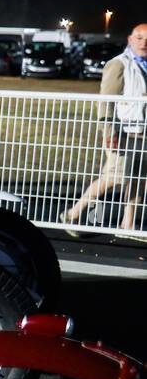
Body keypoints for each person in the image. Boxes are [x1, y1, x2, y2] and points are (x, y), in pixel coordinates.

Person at [62, 23, 147, 232]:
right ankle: (72, 214)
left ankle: (128, 224)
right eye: (139, 38)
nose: (144, 43)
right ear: (129, 39)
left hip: (144, 134)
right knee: (114, 177)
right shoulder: (119, 64)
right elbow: (106, 101)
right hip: (125, 133)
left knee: (140, 179)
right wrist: (108, 131)